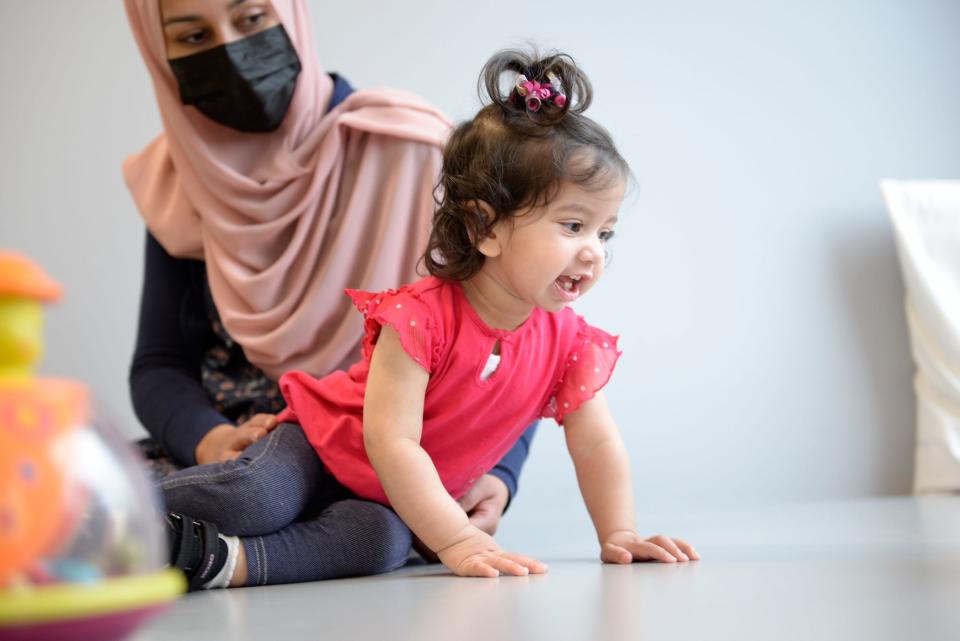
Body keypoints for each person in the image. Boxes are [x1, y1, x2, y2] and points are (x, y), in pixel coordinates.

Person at [159, 47, 700, 589]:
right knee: (257, 497)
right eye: (573, 225)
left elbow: (596, 443)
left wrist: (620, 532)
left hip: (388, 498)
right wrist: (458, 539)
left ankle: (213, 561)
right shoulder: (420, 318)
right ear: (484, 229)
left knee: (382, 542)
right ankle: (107, 510)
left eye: (604, 233)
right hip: (322, 449)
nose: (594, 252)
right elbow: (391, 442)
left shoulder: (569, 343)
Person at [123, 0, 537, 586]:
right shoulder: (177, 177)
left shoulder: (415, 150)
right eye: (192, 35)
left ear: (291, 16)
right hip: (243, 455)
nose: (231, 51)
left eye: (251, 19)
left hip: (394, 455)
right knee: (248, 495)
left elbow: (515, 336)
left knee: (383, 535)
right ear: (159, 53)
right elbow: (159, 364)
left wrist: (499, 475)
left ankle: (193, 553)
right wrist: (209, 438)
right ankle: (126, 524)